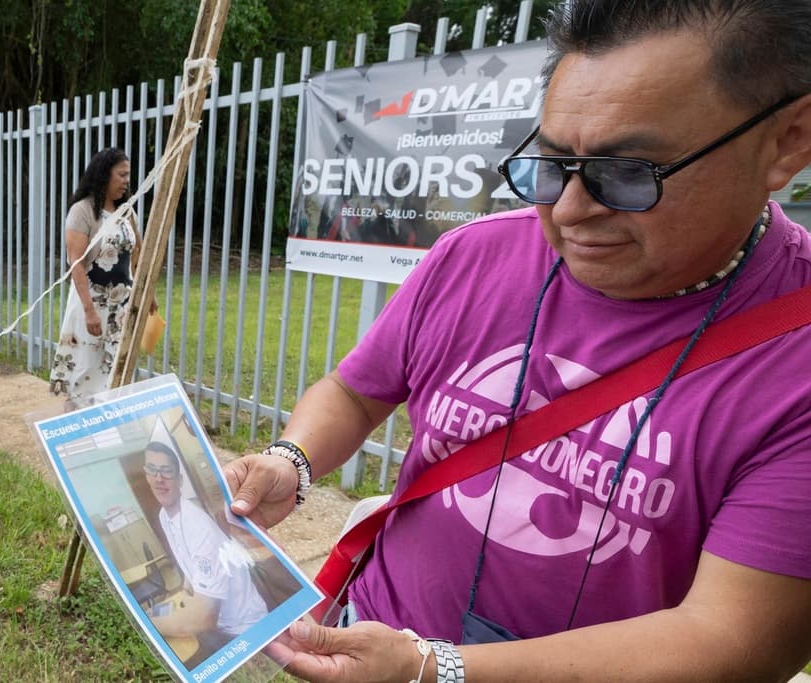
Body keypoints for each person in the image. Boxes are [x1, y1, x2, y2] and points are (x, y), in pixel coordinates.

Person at [224, 2, 811, 681]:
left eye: (627, 174)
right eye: (552, 164)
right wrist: (293, 459)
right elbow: (356, 392)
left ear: (787, 141)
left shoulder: (795, 360)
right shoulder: (473, 256)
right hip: (377, 630)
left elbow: (732, 642)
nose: (568, 210)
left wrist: (433, 669)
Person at [143, 440, 268, 655]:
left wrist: (146, 623)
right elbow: (187, 559)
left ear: (180, 480)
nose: (159, 478)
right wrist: (185, 590)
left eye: (166, 471)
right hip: (219, 620)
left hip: (244, 627)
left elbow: (203, 618)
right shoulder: (164, 515)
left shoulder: (198, 526)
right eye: (152, 470)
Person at [49, 148, 144, 404]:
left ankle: (112, 419)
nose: (126, 181)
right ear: (104, 175)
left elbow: (138, 254)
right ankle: (79, 420)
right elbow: (76, 263)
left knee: (117, 367)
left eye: (128, 175)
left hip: (121, 307)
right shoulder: (82, 211)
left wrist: (147, 293)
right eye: (121, 175)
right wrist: (89, 311)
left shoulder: (128, 212)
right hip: (90, 303)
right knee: (85, 368)